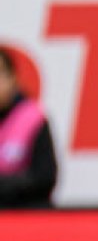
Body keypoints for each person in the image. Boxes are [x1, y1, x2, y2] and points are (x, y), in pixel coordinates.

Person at [0, 44, 57, 207]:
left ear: (13, 79)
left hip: (23, 208)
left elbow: (45, 177)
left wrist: (6, 186)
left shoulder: (32, 118)